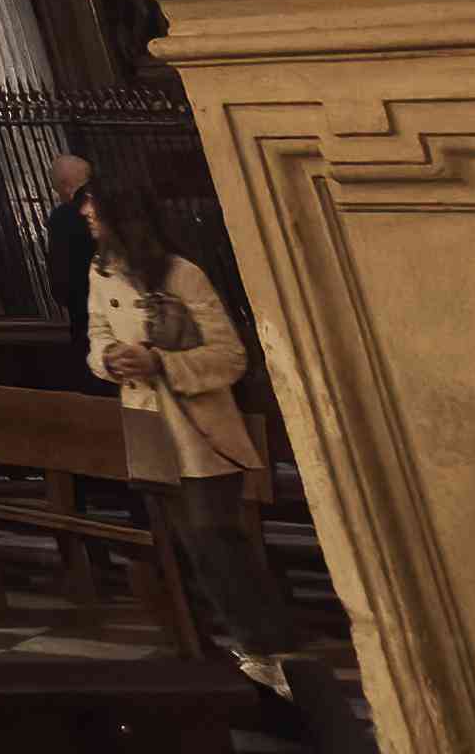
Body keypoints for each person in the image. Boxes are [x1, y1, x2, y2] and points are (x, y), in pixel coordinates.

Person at [80, 183, 300, 693]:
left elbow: (231, 357)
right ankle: (223, 649)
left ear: (122, 219)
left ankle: (271, 651)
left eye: (95, 217)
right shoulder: (100, 273)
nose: (89, 225)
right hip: (148, 424)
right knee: (184, 544)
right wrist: (109, 359)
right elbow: (97, 334)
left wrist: (160, 362)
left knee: (214, 538)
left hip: (198, 428)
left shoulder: (183, 274)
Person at [39, 150, 100, 349]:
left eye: (57, 190)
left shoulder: (65, 216)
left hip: (89, 316)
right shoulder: (118, 201)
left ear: (64, 185)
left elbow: (62, 279)